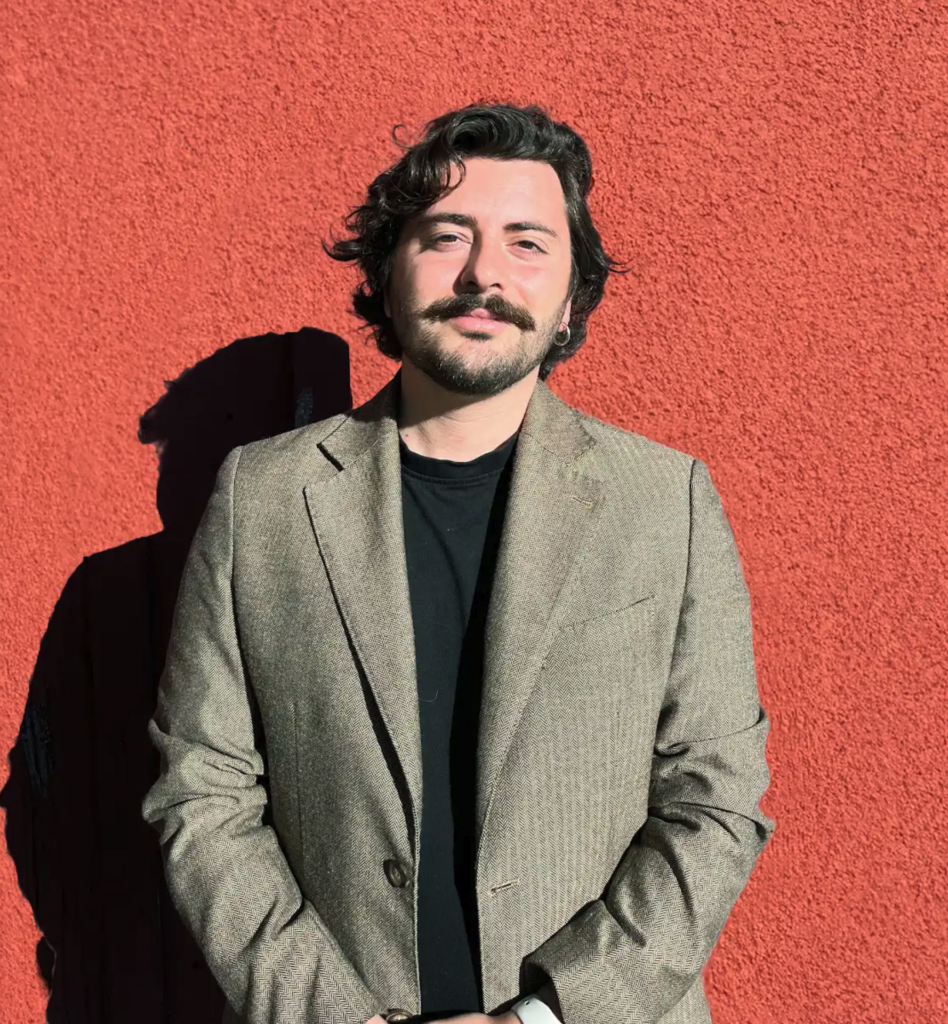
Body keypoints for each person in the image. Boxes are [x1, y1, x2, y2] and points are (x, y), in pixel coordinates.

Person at [142, 101, 776, 1024]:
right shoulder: (264, 501)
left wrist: (548, 1015)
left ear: (569, 298)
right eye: (447, 236)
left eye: (527, 242)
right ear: (387, 274)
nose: (483, 274)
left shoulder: (664, 502)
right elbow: (202, 793)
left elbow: (715, 802)